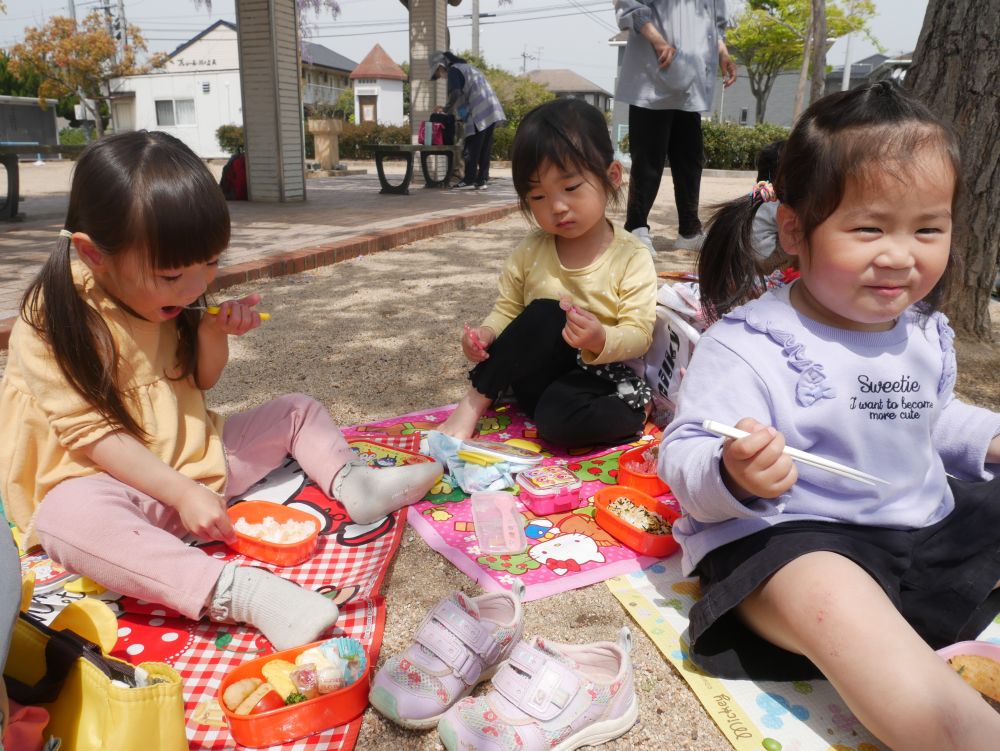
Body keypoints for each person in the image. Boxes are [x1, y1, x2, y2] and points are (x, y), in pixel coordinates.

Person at [0, 131, 442, 652]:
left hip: (196, 466)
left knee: (296, 410)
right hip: (113, 486)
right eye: (171, 276)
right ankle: (240, 593)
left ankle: (356, 488)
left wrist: (211, 333)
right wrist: (181, 493)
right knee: (67, 516)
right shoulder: (56, 317)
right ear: (94, 255)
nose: (193, 289)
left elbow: (199, 381)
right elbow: (94, 437)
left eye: (209, 265)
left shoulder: (167, 296)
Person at [660, 82, 1000, 749]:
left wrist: (991, 438)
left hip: (919, 528)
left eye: (927, 228)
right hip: (798, 539)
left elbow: (929, 423)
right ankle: (962, 731)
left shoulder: (923, 332)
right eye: (869, 227)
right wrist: (734, 471)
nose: (901, 255)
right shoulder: (751, 343)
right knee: (829, 589)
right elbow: (684, 452)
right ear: (795, 229)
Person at [437, 98, 657, 448]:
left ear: (611, 177)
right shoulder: (532, 249)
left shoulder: (631, 257)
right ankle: (473, 401)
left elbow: (639, 333)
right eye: (538, 196)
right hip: (538, 376)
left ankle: (636, 410)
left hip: (599, 376)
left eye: (571, 188)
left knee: (555, 425)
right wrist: (486, 333)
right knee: (543, 313)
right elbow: (508, 309)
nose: (557, 207)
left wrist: (600, 338)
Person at [615, 0, 737, 255]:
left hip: (692, 80)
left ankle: (689, 231)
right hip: (652, 74)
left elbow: (713, 22)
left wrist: (723, 53)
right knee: (648, 160)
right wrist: (658, 41)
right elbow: (629, 5)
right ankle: (635, 227)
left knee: (690, 159)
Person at [429, 50, 505, 190]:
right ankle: (482, 180)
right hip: (491, 109)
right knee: (484, 148)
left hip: (479, 112)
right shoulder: (467, 68)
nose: (441, 77)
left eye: (438, 73)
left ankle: (469, 179)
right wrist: (462, 117)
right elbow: (464, 96)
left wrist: (445, 109)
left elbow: (456, 93)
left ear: (441, 66)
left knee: (471, 147)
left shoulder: (453, 70)